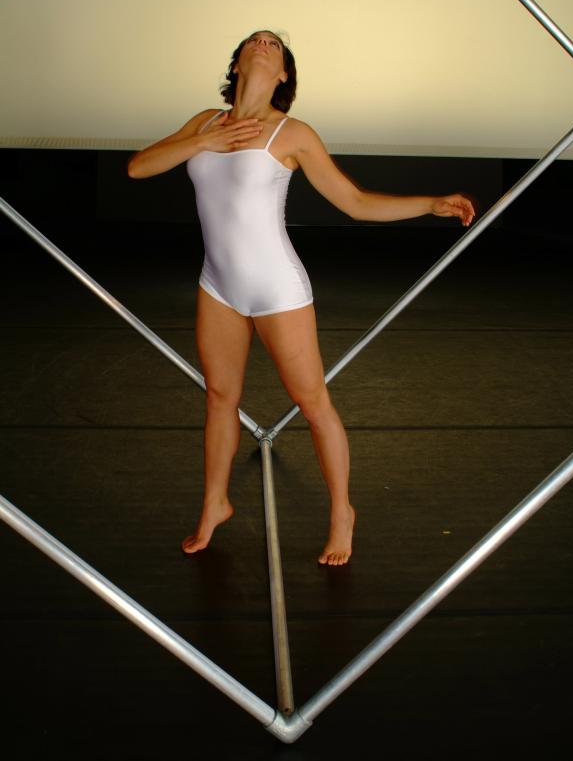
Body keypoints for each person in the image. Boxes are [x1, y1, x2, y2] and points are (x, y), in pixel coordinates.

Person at [128, 29, 475, 566]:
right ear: (238, 61)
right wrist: (203, 142)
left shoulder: (293, 134)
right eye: (255, 40)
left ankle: (342, 511)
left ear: (284, 73)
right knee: (220, 397)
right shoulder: (204, 123)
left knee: (313, 403)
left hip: (277, 287)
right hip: (216, 283)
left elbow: (355, 202)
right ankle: (215, 503)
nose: (264, 43)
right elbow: (138, 167)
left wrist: (430, 204)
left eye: (274, 45)